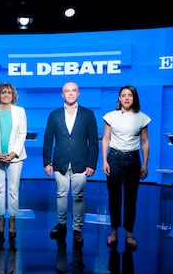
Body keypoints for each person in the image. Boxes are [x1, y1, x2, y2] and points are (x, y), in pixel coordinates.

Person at [43, 81, 99, 248]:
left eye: (74, 90)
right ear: (62, 94)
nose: (70, 93)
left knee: (79, 196)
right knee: (60, 195)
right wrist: (47, 162)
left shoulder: (88, 114)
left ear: (78, 93)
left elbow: (94, 142)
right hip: (59, 162)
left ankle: (77, 229)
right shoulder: (54, 115)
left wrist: (92, 163)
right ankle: (61, 225)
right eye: (67, 91)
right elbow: (47, 140)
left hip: (81, 163)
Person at [102, 85, 150, 251]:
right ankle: (114, 231)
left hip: (133, 160)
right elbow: (106, 139)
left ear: (134, 98)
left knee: (131, 199)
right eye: (123, 95)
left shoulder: (142, 118)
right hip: (114, 159)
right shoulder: (110, 116)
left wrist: (145, 164)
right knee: (114, 197)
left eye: (130, 95)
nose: (127, 98)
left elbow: (145, 141)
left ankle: (129, 234)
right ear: (119, 98)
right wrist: (104, 161)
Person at [0, 82, 27, 248]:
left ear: (13, 95)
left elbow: (22, 132)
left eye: (9, 93)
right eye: (3, 93)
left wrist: (14, 152)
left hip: (15, 156)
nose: (6, 95)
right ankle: (1, 219)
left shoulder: (20, 111)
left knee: (13, 189)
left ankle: (13, 220)